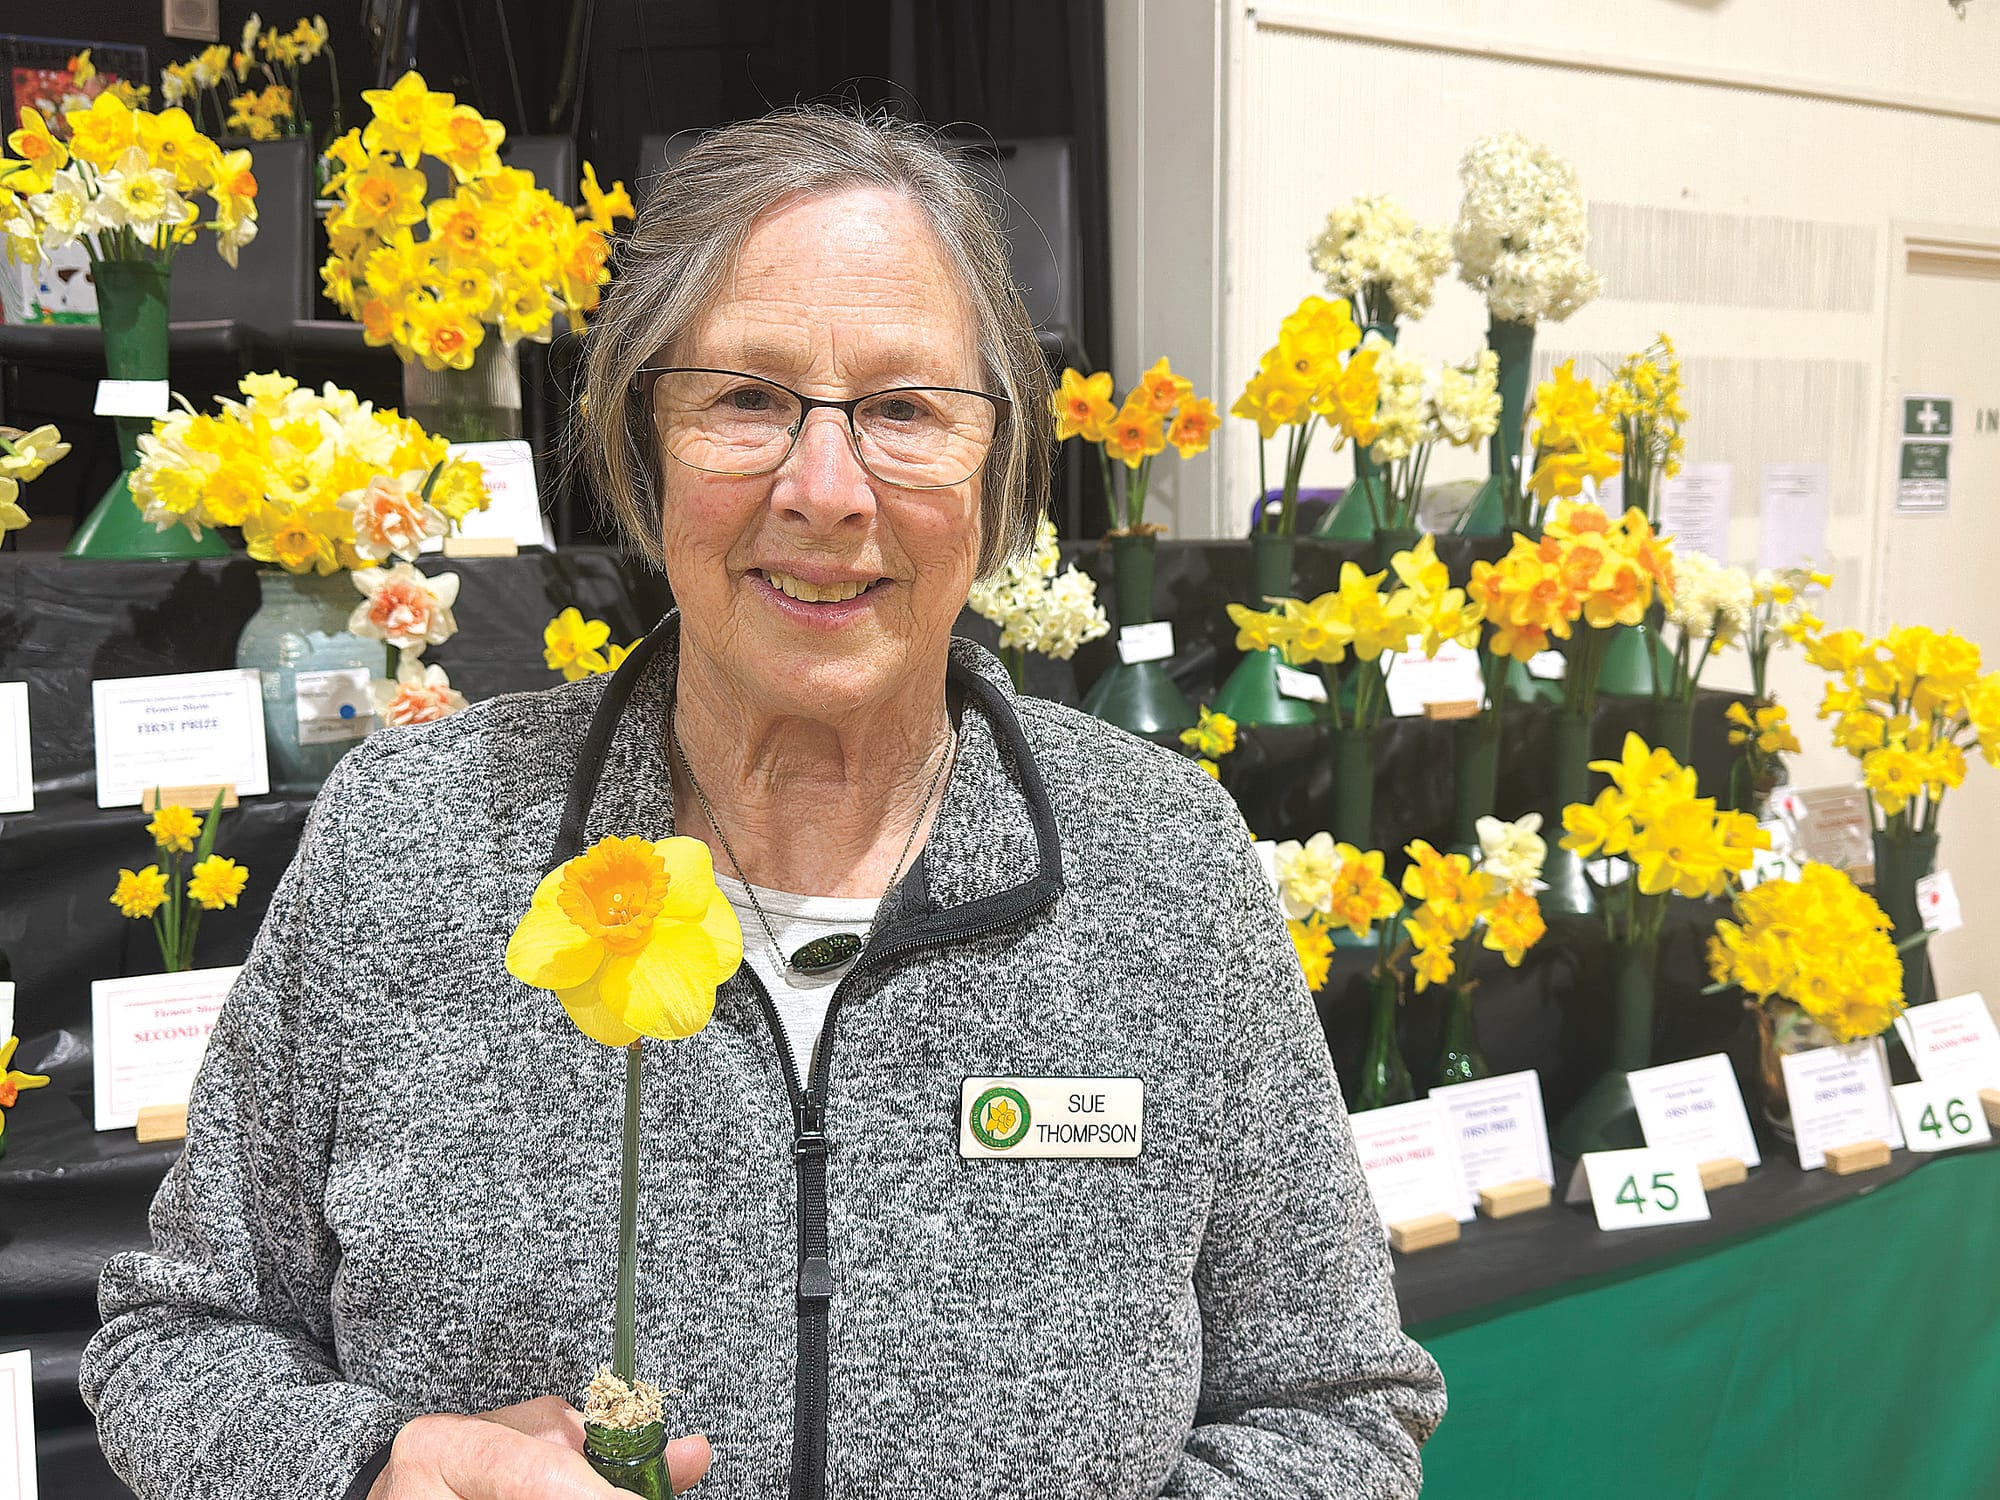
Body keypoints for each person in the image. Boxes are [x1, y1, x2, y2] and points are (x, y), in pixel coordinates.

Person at [81, 107, 1444, 1499]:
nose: (826, 490)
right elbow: (178, 1339)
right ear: (642, 441)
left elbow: (1333, 1410)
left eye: (906, 410)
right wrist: (382, 1466)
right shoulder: (410, 844)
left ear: (1001, 464)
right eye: (746, 399)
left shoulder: (1166, 867)